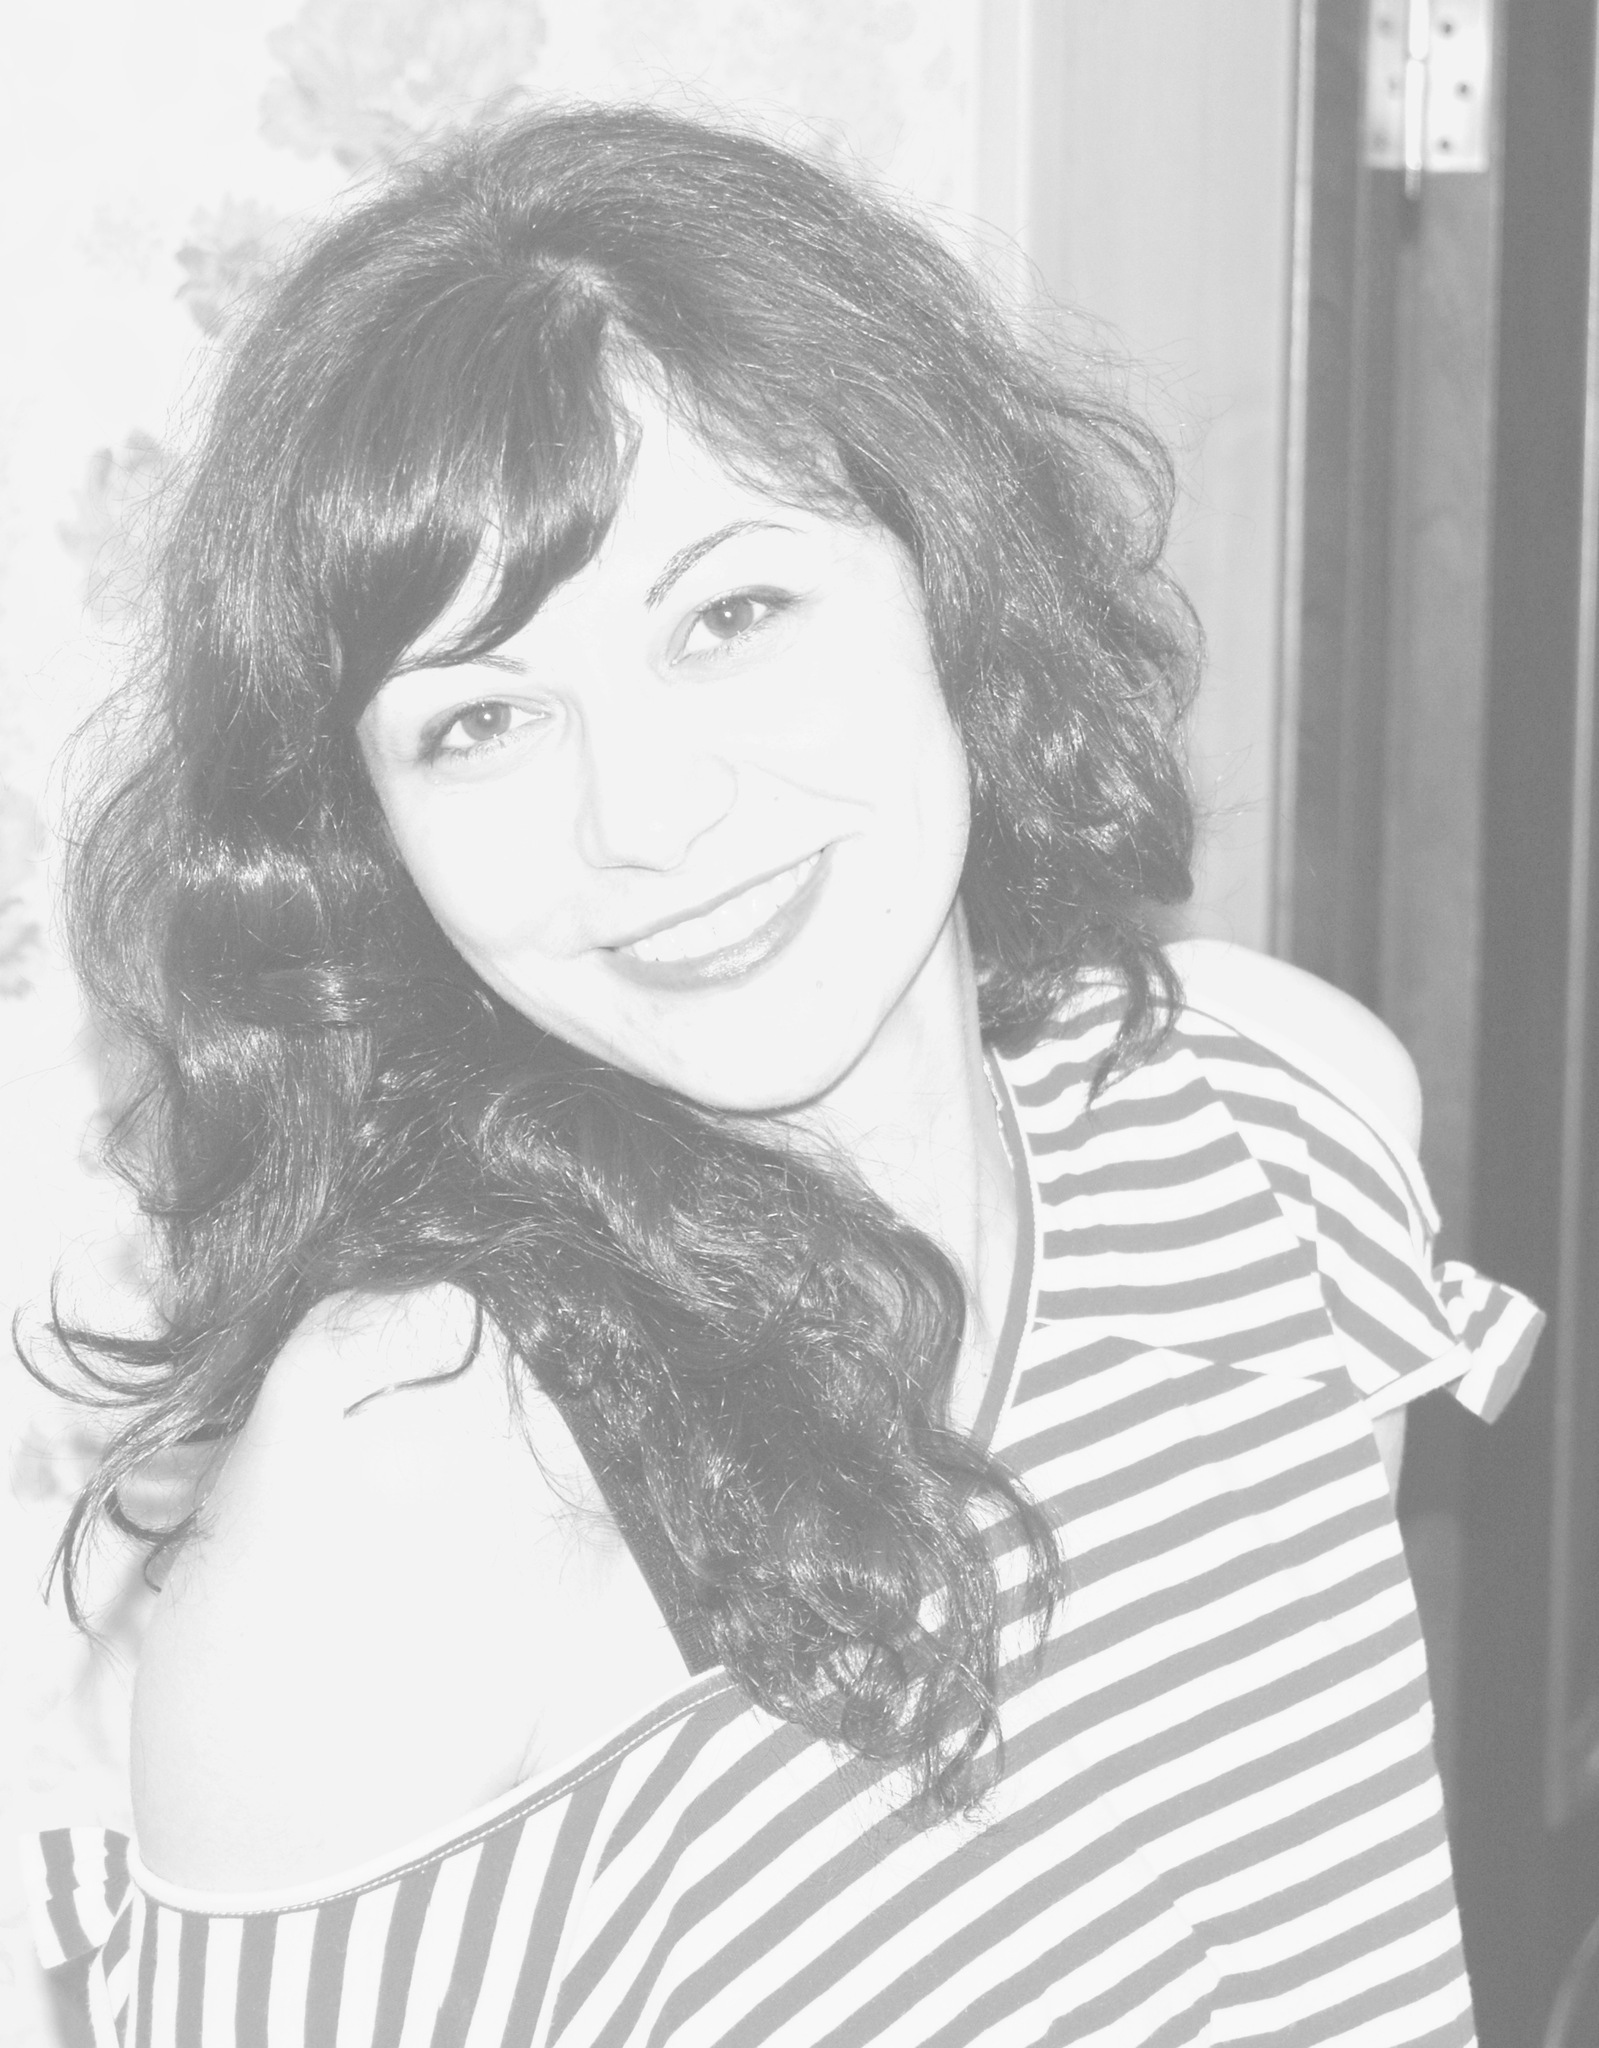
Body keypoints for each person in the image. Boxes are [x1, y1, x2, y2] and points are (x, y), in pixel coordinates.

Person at [27, 104, 1542, 2047]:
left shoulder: (1284, 1119)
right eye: (479, 721)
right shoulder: (421, 1475)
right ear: (368, 846)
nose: (646, 816)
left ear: (949, 580)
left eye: (730, 617)